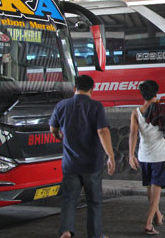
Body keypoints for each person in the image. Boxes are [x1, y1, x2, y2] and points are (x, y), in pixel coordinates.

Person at [49, 75, 115, 238]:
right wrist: (111, 156)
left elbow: (53, 129)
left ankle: (66, 231)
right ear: (92, 89)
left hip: (70, 164)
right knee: (94, 201)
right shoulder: (96, 106)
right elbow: (102, 131)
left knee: (69, 199)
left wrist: (60, 136)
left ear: (74, 89)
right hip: (91, 164)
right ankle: (95, 234)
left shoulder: (62, 105)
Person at [129, 80, 165, 236]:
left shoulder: (136, 112)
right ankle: (148, 223)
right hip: (159, 157)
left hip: (143, 156)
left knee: (150, 189)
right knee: (157, 191)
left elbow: (133, 134)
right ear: (156, 93)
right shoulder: (161, 110)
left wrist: (130, 154)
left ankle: (158, 216)